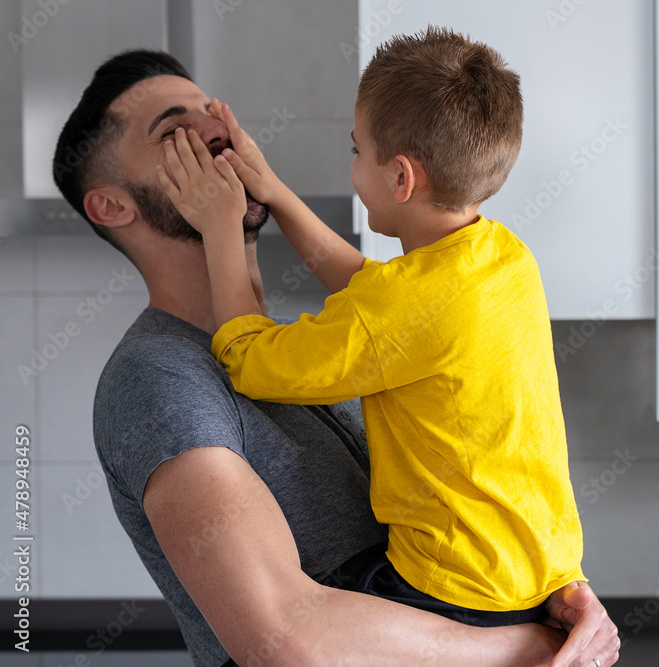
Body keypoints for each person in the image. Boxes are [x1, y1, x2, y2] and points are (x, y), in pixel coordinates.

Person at [52, 49, 620, 667]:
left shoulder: (349, 334)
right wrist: (525, 644)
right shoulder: (156, 377)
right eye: (173, 130)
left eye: (210, 112)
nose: (216, 129)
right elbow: (286, 641)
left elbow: (471, 465)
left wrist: (550, 587)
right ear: (111, 206)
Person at [157, 26, 585, 627]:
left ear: (402, 178)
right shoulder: (501, 257)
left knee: (301, 624)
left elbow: (250, 359)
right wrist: (273, 193)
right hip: (531, 568)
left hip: (451, 587)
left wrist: (220, 227)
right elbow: (371, 287)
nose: (353, 163)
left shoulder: (398, 310)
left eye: (357, 151)